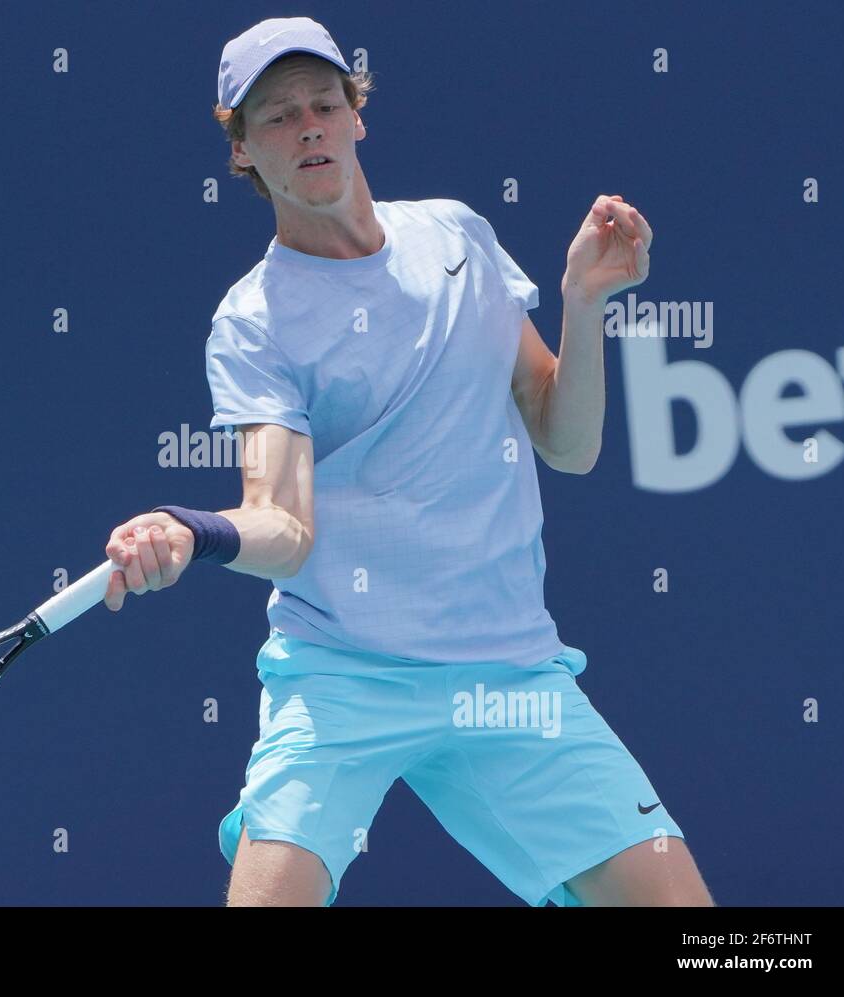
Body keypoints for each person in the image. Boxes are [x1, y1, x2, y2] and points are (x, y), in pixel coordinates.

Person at [102, 16, 714, 908]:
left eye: (323, 102)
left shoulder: (457, 237)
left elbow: (566, 440)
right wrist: (195, 530)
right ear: (241, 149)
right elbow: (283, 525)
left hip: (507, 672)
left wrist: (585, 303)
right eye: (275, 116)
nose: (307, 125)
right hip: (344, 679)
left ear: (358, 116)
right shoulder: (254, 320)